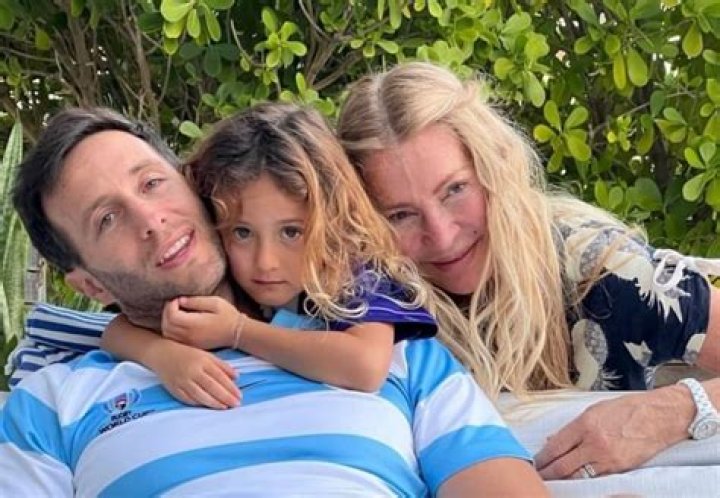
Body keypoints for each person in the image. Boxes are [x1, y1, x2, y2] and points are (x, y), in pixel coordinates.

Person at [1, 106, 548, 496]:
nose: (151, 219)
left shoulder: (393, 351)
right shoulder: (53, 401)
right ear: (90, 286)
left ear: (191, 183)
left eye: (151, 184)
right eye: (107, 218)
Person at [336, 61, 720, 480]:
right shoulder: (357, 305)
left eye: (455, 190)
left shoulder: (600, 269)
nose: (442, 236)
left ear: (494, 167)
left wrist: (673, 410)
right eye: (400, 215)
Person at [100, 103, 436, 409]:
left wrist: (237, 331)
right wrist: (163, 357)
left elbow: (364, 367)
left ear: (334, 221)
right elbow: (116, 331)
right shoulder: (222, 281)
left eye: (291, 232)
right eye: (242, 233)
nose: (265, 262)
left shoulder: (356, 274)